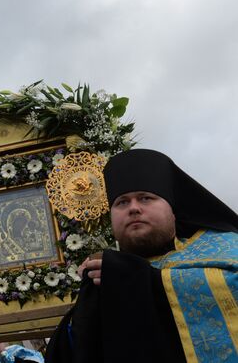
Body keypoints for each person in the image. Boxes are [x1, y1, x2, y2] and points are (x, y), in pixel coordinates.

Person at [46, 149, 238, 363]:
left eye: (146, 198)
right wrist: (87, 303)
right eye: (122, 202)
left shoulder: (224, 246)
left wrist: (140, 280)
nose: (134, 208)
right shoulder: (106, 276)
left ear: (173, 212)